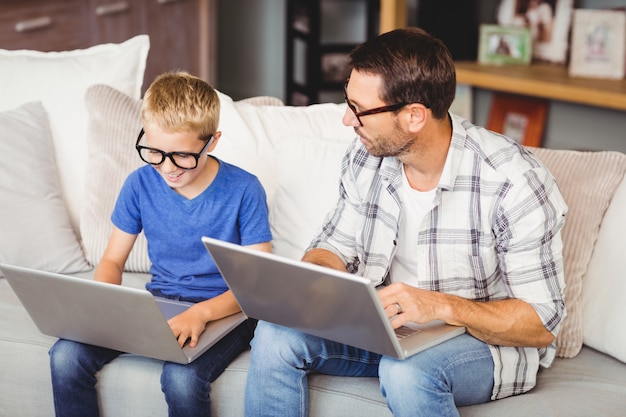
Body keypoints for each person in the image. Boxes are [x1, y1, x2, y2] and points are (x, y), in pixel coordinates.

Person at [244, 27, 567, 417]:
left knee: (406, 372)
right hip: (384, 328)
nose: (347, 120)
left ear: (414, 116)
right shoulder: (367, 156)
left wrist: (440, 307)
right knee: (275, 335)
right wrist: (313, 279)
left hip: (480, 342)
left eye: (359, 109)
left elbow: (540, 322)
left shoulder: (513, 182)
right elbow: (336, 243)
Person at [49, 71, 272, 417]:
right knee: (65, 357)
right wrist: (104, 304)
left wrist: (201, 313)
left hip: (225, 313)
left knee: (182, 380)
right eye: (154, 152)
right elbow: (112, 260)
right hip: (159, 304)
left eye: (182, 156)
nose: (167, 168)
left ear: (212, 141)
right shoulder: (139, 184)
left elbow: (258, 284)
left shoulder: (244, 189)